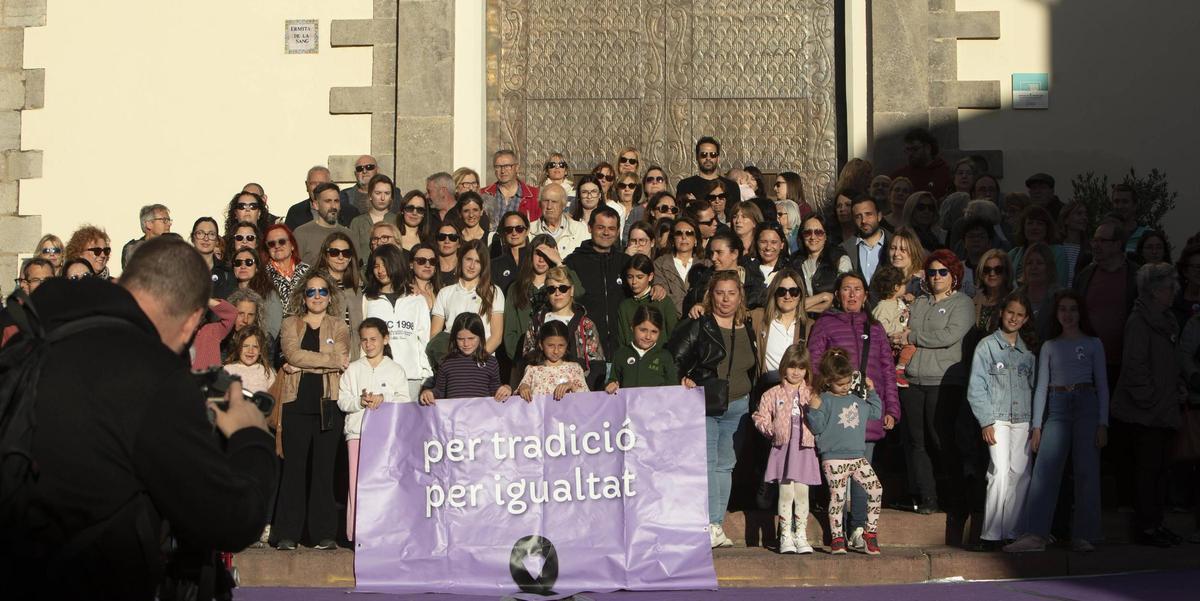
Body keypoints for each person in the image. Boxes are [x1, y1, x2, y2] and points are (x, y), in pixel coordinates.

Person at [3, 237, 276, 599]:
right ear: (194, 319)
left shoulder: (32, 334)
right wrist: (250, 437)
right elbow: (229, 519)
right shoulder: (153, 376)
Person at [1004, 291, 1109, 553]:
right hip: (1058, 405)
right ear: (1056, 314)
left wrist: (1103, 423)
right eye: (1063, 309)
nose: (1068, 314)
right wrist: (1037, 426)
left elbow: (1103, 386)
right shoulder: (1050, 346)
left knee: (1086, 472)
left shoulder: (1094, 343)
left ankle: (1085, 534)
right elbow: (1041, 387)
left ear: (1080, 313)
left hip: (1087, 404)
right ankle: (1036, 533)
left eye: (1073, 309)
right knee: (1045, 472)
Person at [667, 271, 758, 548]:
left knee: (725, 466)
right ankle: (706, 522)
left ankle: (716, 524)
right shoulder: (699, 323)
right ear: (711, 294)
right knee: (706, 465)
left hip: (739, 405)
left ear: (740, 295)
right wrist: (682, 378)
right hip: (704, 402)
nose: (726, 298)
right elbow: (673, 358)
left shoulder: (748, 326)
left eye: (731, 293)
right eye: (720, 292)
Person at [271, 271, 350, 551]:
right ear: (303, 297)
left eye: (322, 292)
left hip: (328, 404)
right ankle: (287, 534)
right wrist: (328, 360)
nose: (317, 297)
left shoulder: (340, 326)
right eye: (311, 292)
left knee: (323, 471)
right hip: (295, 404)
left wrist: (306, 363)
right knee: (293, 470)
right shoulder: (290, 323)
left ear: (330, 297)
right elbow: (292, 354)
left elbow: (343, 358)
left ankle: (323, 533)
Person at [894, 250, 975, 517]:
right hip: (914, 378)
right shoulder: (919, 302)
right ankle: (927, 496)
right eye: (932, 272)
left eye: (943, 272)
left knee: (942, 440)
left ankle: (957, 497)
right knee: (917, 441)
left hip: (944, 380)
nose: (937, 276)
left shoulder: (962, 303)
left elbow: (950, 335)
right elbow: (905, 332)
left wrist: (913, 337)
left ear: (954, 275)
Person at [1110, 263, 1185, 547]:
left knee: (1161, 470)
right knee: (1147, 470)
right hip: (1146, 412)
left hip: (1165, 408)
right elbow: (1134, 366)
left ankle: (1157, 522)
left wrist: (1176, 388)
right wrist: (1151, 399)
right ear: (1154, 291)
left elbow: (1171, 362)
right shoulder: (1139, 322)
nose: (1173, 292)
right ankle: (1145, 527)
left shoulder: (1168, 320)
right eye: (1168, 287)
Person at [965, 293, 1036, 549]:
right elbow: (977, 387)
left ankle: (1013, 531)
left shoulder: (1028, 352)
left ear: (1026, 319)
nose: (1014, 318)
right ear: (1002, 313)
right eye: (1010, 313)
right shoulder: (986, 346)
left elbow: (1034, 387)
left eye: (1019, 315)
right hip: (997, 418)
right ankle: (991, 534)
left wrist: (1037, 423)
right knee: (999, 472)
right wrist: (986, 421)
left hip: (1023, 419)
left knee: (1021, 473)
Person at [337, 317, 410, 541]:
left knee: (384, 484)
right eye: (364, 340)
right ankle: (357, 533)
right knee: (357, 485)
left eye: (373, 339)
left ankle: (385, 533)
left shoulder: (395, 369)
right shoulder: (353, 369)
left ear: (385, 339)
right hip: (358, 434)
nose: (368, 344)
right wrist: (360, 402)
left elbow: (404, 400)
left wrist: (383, 398)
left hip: (386, 436)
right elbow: (343, 400)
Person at [806, 348, 884, 556]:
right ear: (828, 381)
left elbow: (875, 412)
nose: (845, 387)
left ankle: (870, 534)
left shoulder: (857, 400)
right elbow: (817, 427)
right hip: (834, 458)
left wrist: (873, 391)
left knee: (876, 489)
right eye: (840, 384)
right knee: (838, 498)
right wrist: (813, 409)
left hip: (858, 457)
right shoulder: (824, 399)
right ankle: (837, 537)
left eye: (848, 382)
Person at [752, 343, 820, 555]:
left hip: (804, 448)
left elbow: (822, 417)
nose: (796, 372)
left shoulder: (811, 393)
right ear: (784, 367)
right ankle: (785, 536)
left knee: (802, 492)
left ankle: (800, 534)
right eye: (792, 367)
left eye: (801, 368)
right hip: (783, 449)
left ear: (807, 370)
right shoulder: (772, 393)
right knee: (785, 491)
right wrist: (771, 429)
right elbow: (759, 416)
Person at [517, 266, 605, 391]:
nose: (557, 293)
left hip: (575, 394)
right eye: (551, 289)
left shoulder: (585, 324)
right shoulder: (537, 323)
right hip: (543, 393)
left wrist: (583, 391)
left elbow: (597, 364)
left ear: (572, 290)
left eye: (563, 288)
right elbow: (528, 359)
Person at [364, 244, 433, 401]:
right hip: (378, 377)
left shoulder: (416, 300)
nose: (380, 271)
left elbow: (423, 340)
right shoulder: (368, 300)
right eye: (376, 266)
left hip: (411, 378)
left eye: (385, 265)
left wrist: (426, 378)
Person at [564, 206, 631, 359]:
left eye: (611, 228)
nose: (606, 233)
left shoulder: (625, 263)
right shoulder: (573, 262)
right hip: (585, 350)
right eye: (600, 227)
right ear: (590, 227)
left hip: (621, 349)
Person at [432, 240, 505, 354]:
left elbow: (496, 337)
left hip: (482, 362)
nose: (472, 266)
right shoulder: (445, 292)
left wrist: (475, 361)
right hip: (451, 361)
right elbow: (435, 335)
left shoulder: (493, 292)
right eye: (468, 259)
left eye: (477, 261)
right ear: (461, 260)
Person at [419, 313, 510, 404]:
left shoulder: (491, 362)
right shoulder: (446, 362)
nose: (466, 344)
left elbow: (495, 391)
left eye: (471, 338)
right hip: (454, 417)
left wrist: (506, 389)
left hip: (482, 416)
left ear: (480, 337)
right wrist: (429, 393)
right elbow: (439, 392)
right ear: (454, 338)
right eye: (460, 339)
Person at [682, 231, 767, 317]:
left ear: (734, 254)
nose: (713, 258)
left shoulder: (754, 284)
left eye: (719, 252)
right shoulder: (702, 283)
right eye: (712, 253)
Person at [311, 232, 365, 357]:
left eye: (346, 253)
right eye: (335, 252)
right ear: (326, 255)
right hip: (325, 352)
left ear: (351, 257)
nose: (341, 257)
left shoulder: (359, 286)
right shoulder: (315, 284)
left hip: (355, 354)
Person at [605, 305, 677, 393]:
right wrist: (611, 385)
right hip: (629, 405)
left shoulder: (665, 356)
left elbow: (673, 389)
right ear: (632, 327)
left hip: (656, 406)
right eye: (643, 330)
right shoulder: (621, 354)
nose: (648, 336)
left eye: (654, 332)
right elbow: (613, 380)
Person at [510, 321, 589, 402]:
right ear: (541, 345)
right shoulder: (532, 370)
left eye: (561, 345)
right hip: (539, 414)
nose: (556, 351)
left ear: (567, 345)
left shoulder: (575, 368)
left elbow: (586, 398)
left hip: (568, 414)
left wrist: (571, 386)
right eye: (550, 345)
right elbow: (518, 397)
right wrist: (523, 388)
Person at [792, 214, 850, 315]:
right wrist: (823, 297)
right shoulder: (794, 261)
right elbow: (789, 302)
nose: (813, 237)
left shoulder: (840, 259)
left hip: (834, 320)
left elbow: (844, 297)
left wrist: (803, 306)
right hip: (802, 322)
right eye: (807, 232)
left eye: (818, 232)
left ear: (826, 235)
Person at [617, 254, 678, 349]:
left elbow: (674, 335)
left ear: (650, 276)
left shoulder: (663, 301)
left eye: (639, 277)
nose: (634, 282)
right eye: (630, 277)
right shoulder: (625, 306)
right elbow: (622, 340)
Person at [870, 264, 914, 387]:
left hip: (901, 339)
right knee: (910, 347)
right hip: (893, 342)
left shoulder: (898, 301)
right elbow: (881, 326)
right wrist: (900, 330)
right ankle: (899, 370)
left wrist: (909, 301)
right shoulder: (883, 306)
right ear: (896, 287)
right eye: (903, 284)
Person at [229, 248, 283, 342]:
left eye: (249, 262)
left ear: (257, 267)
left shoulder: (269, 294)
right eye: (238, 263)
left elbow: (271, 332)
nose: (243, 266)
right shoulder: (227, 291)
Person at [1008, 206, 1068, 289]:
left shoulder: (1058, 252)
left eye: (1040, 224)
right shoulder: (1012, 254)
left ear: (1047, 228)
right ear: (1023, 227)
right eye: (1030, 223)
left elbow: (1060, 283)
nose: (1034, 227)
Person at [294, 182, 354, 266]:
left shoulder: (349, 235)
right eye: (327, 201)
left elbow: (355, 269)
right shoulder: (301, 234)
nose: (333, 206)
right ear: (316, 205)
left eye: (336, 201)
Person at [284, 165, 359, 231]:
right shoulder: (295, 212)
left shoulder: (350, 212)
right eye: (313, 183)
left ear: (331, 184)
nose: (317, 187)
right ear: (307, 186)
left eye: (322, 184)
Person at [482, 149, 541, 227]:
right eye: (498, 167)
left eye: (507, 166)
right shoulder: (483, 194)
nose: (503, 171)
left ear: (517, 167)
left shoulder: (534, 196)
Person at [841, 194, 891, 286]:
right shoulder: (844, 249)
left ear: (879, 216)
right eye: (858, 216)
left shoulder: (896, 244)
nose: (863, 220)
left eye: (868, 214)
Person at [676, 136, 741, 205]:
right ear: (697, 157)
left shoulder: (732, 186)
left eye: (712, 154)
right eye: (703, 154)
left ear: (718, 158)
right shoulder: (685, 185)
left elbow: (735, 213)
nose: (708, 158)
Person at [653, 216, 699, 311]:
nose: (684, 237)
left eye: (689, 233)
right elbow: (664, 297)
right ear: (673, 239)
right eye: (678, 233)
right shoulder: (659, 264)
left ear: (696, 240)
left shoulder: (706, 264)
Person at [262, 224, 310, 315]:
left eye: (282, 241)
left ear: (292, 245)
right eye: (271, 243)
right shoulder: (261, 275)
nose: (277, 246)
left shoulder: (308, 271)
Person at [890, 127, 950, 197]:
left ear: (928, 148)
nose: (910, 153)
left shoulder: (944, 172)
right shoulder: (900, 175)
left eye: (915, 149)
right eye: (908, 149)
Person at [529, 182, 586, 256]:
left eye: (554, 202)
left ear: (563, 205)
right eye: (546, 201)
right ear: (540, 204)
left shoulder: (579, 230)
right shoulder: (529, 231)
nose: (549, 206)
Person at [349, 174, 398, 257]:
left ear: (391, 197)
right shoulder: (357, 222)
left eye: (387, 193)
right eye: (378, 193)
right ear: (370, 195)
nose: (382, 198)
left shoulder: (397, 220)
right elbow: (352, 252)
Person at [190, 217, 235, 299]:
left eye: (211, 234)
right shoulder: (181, 269)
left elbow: (230, 308)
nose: (206, 238)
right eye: (200, 233)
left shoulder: (227, 273)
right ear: (193, 238)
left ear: (217, 240)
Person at [223, 326, 276, 394]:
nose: (250, 351)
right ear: (238, 348)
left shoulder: (267, 372)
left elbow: (273, 397)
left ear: (261, 350)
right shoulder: (227, 370)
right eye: (245, 346)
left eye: (255, 346)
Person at [973, 249, 1015, 335]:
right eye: (987, 269)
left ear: (1006, 273)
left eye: (998, 269)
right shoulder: (973, 301)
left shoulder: (1014, 301)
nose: (992, 274)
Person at [121, 203, 172, 269]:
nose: (169, 224)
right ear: (149, 224)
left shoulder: (173, 247)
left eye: (169, 220)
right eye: (164, 220)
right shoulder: (133, 249)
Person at [490, 211, 531, 292]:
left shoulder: (537, 260)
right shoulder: (494, 265)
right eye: (509, 229)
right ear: (503, 233)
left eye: (519, 228)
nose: (514, 233)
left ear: (527, 230)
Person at [888, 227, 928, 300]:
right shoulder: (888, 279)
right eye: (893, 248)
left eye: (903, 249)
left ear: (913, 252)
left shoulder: (921, 282)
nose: (896, 253)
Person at [1110, 183, 1148, 254]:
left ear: (1135, 205)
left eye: (1125, 202)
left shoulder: (1146, 234)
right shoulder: (1105, 233)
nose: (1120, 206)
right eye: (1116, 202)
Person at [613, 171, 644, 241]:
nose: (627, 189)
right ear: (617, 190)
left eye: (631, 186)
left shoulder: (642, 211)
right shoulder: (610, 208)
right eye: (622, 186)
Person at [434, 222, 463, 287]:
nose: (447, 241)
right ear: (436, 241)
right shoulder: (429, 266)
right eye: (442, 237)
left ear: (459, 243)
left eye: (452, 237)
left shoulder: (465, 267)